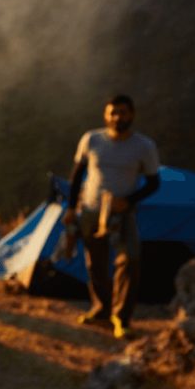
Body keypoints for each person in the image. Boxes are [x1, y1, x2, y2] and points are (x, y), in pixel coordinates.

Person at [63, 94, 161, 340]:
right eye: (113, 113)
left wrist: (128, 201)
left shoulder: (144, 146)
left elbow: (154, 183)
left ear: (132, 115)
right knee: (95, 263)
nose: (117, 117)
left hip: (122, 212)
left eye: (122, 112)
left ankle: (122, 317)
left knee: (130, 260)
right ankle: (102, 309)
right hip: (90, 209)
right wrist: (71, 208)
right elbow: (77, 175)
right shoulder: (91, 139)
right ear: (105, 116)